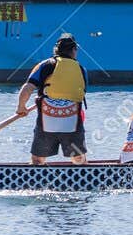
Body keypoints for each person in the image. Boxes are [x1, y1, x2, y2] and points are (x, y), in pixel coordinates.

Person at [16, 33, 89, 165]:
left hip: (47, 120)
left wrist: (21, 106)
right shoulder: (81, 70)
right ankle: (83, 178)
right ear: (74, 51)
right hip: (72, 120)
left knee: (37, 160)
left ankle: (35, 179)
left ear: (56, 50)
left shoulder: (45, 65)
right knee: (79, 159)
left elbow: (28, 87)